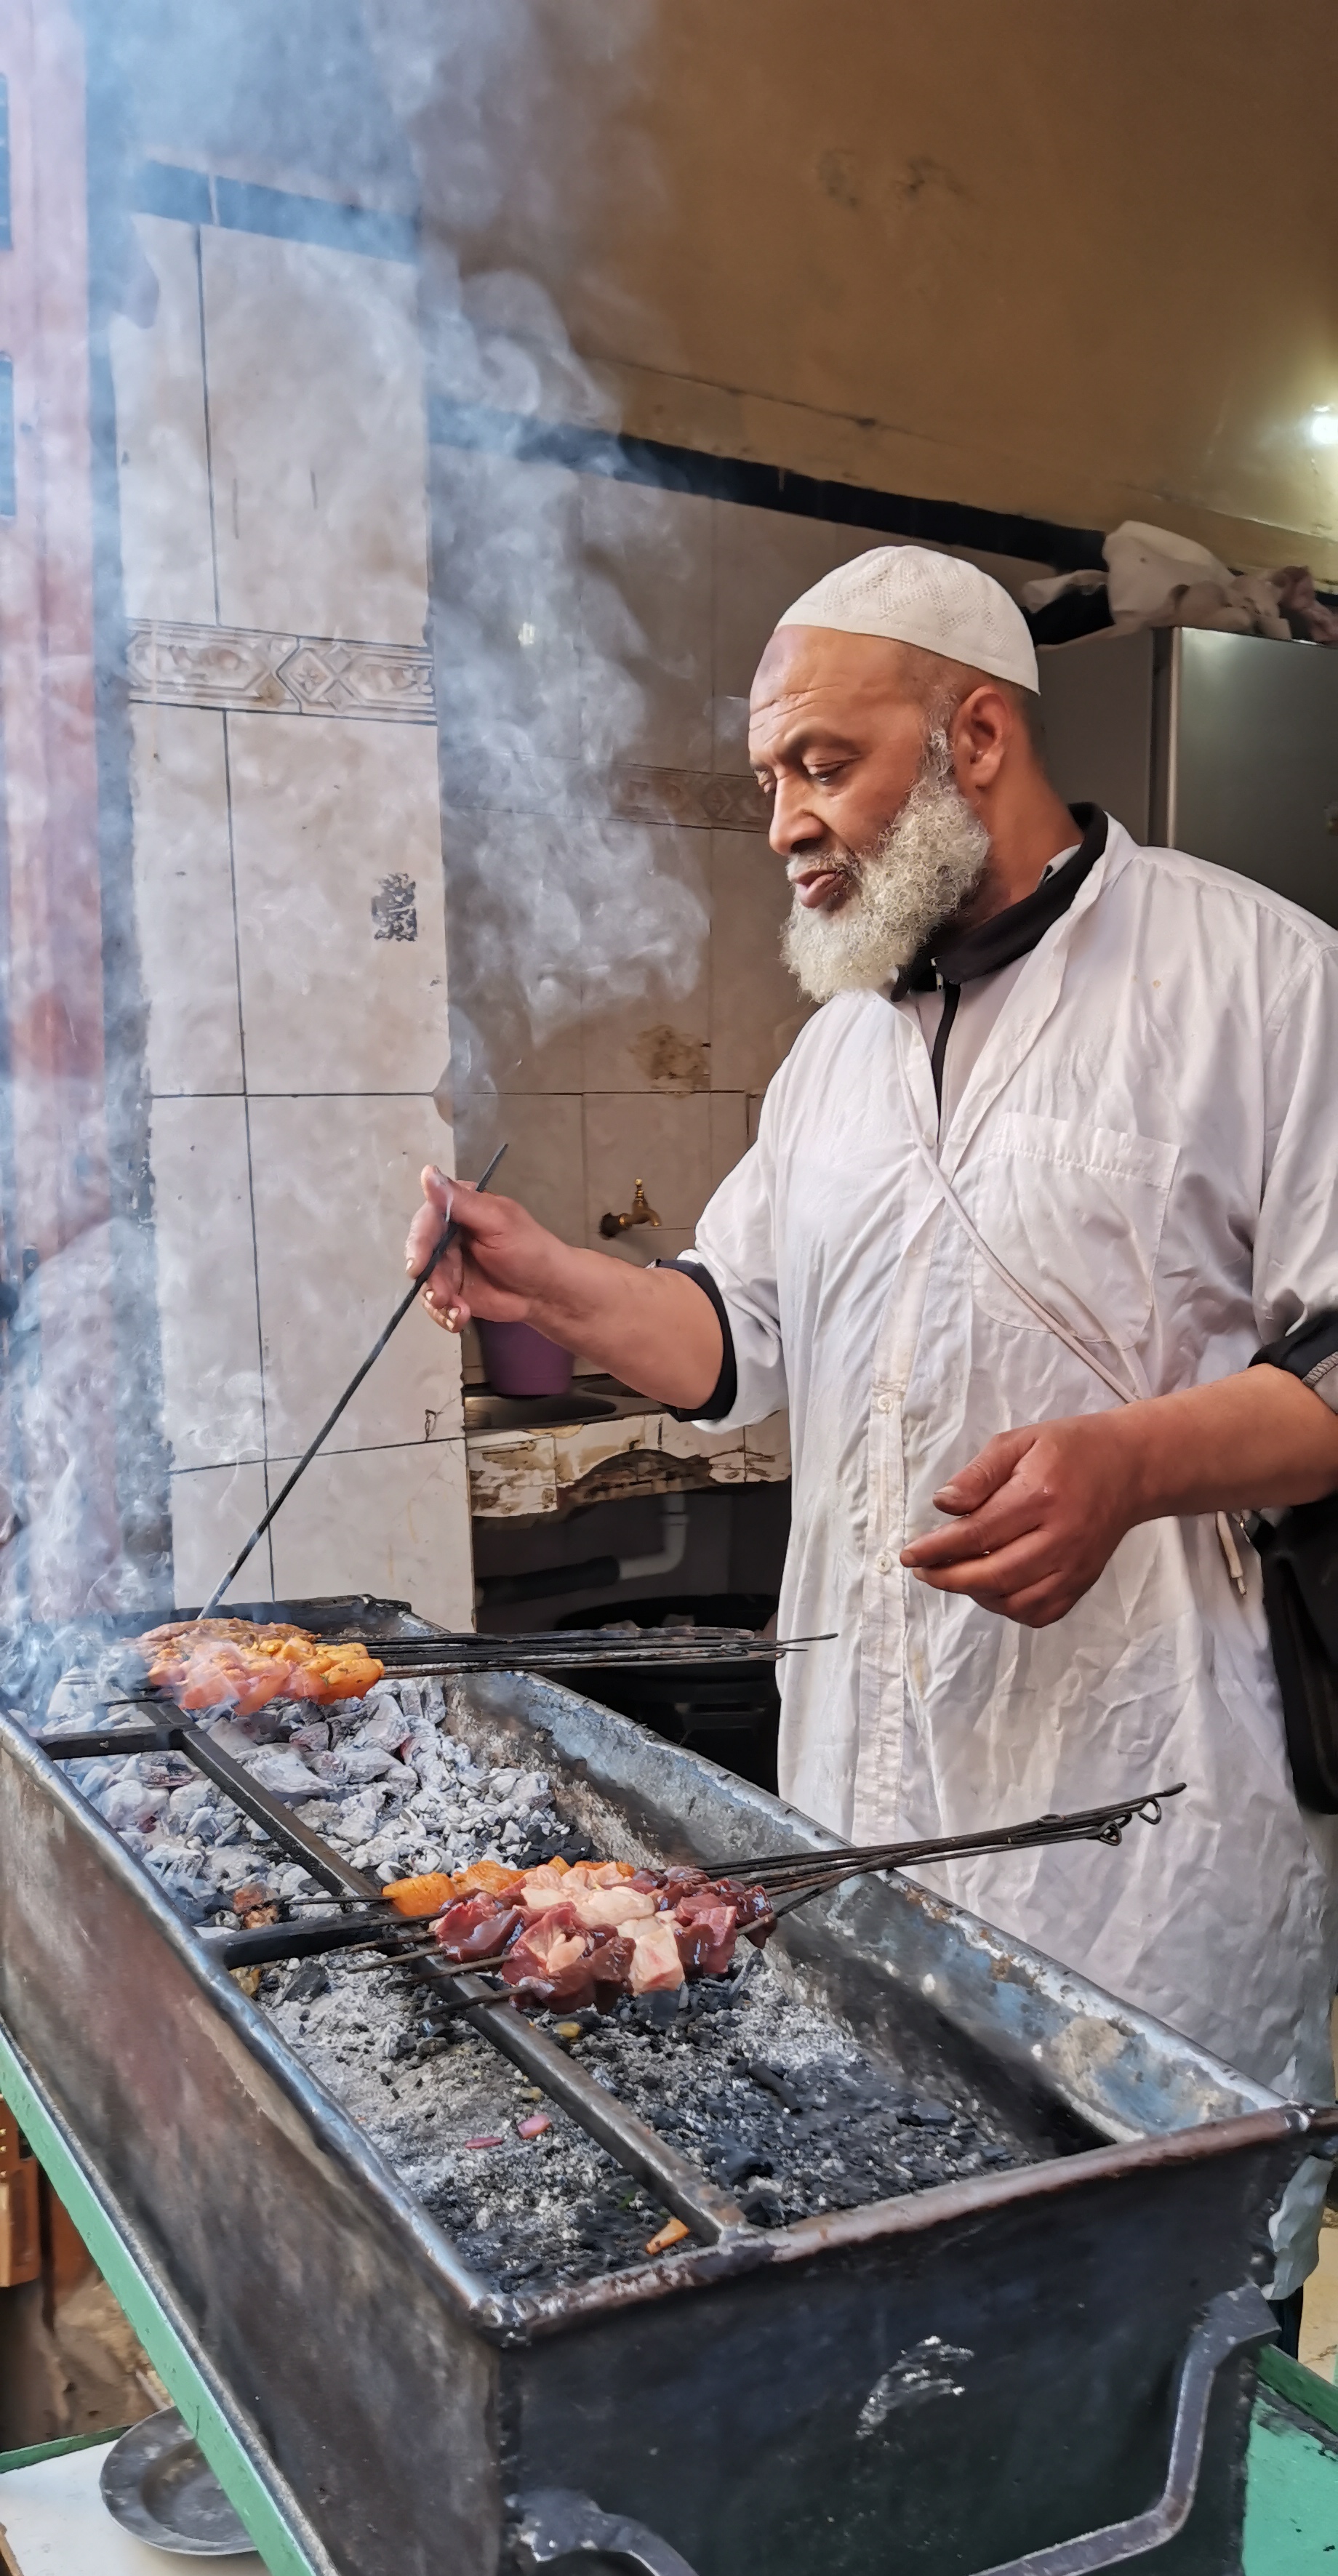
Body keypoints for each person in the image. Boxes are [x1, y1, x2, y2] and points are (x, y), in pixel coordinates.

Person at [407, 544, 1338, 2311]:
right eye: (769, 777)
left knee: (1152, 2325)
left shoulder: (1259, 982)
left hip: (1151, 1841)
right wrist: (544, 1276)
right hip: (861, 1818)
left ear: (975, 733)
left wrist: (1128, 1462)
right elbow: (733, 1333)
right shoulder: (834, 1049)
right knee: (904, 2316)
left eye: (821, 762)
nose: (783, 822)